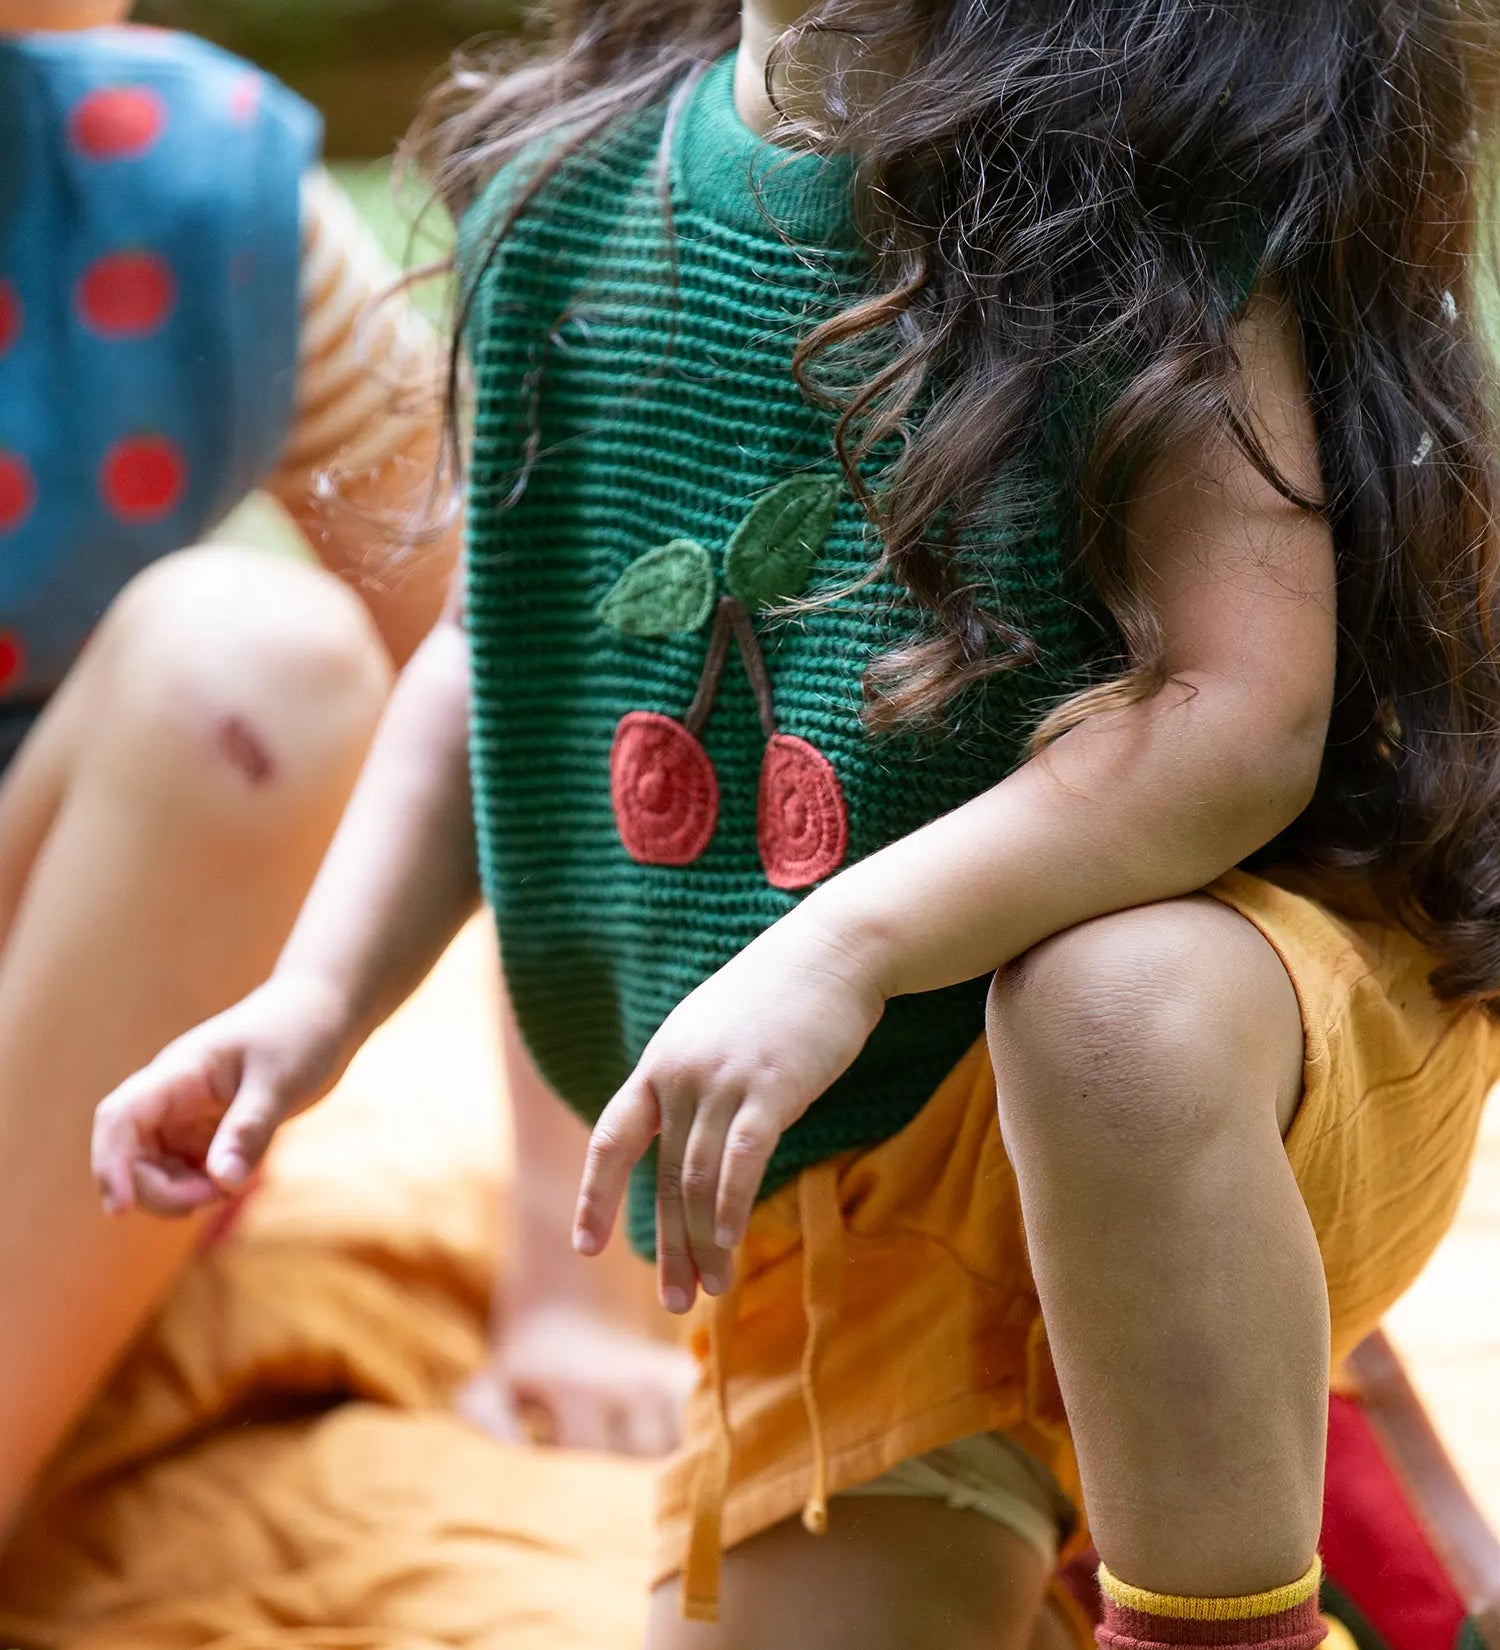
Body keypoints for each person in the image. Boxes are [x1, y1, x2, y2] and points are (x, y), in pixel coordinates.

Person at [90, 1, 1500, 1647]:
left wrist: (843, 947)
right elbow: (502, 648)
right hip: (852, 1214)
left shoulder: (1147, 173)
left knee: (1105, 1012)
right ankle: (1180, 1455)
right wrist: (316, 999)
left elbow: (1237, 715)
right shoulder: (577, 195)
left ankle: (1221, 1523)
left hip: (1229, 1042)